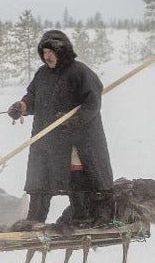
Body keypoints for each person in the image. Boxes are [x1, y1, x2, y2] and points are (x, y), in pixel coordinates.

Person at [7, 30, 114, 225]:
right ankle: (34, 220)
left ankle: (80, 218)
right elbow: (32, 97)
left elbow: (92, 103)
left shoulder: (80, 72)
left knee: (76, 178)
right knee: (39, 178)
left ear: (62, 51)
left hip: (75, 140)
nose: (47, 56)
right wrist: (21, 107)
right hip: (46, 139)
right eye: (44, 52)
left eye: (51, 52)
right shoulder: (42, 74)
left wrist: (75, 119)